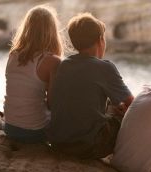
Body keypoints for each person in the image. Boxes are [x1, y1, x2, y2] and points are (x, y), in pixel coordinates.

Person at [46, 13, 134, 159]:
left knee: (112, 106)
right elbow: (133, 104)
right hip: (86, 147)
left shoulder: (64, 65)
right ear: (100, 40)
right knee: (124, 116)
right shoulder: (105, 68)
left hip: (58, 142)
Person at [3, 5, 63, 143]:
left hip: (10, 127)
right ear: (52, 31)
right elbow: (53, 104)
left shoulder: (13, 54)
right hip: (35, 131)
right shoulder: (52, 61)